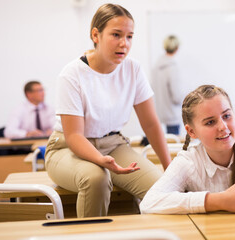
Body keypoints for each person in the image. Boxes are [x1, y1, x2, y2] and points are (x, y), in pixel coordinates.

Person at [44, 3, 171, 218]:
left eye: (130, 36)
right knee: (96, 178)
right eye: (116, 35)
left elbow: (150, 124)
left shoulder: (133, 69)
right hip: (67, 147)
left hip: (113, 145)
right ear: (96, 34)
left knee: (160, 188)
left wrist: (170, 169)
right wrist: (101, 161)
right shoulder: (72, 74)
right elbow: (74, 135)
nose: (124, 43)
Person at [140, 85, 235, 214]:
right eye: (210, 122)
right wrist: (218, 200)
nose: (223, 126)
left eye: (227, 116)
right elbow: (149, 203)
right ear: (191, 131)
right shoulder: (189, 161)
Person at [151, 35, 184, 135]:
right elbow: (176, 96)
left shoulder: (156, 67)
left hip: (158, 113)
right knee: (173, 147)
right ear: (177, 48)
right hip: (172, 115)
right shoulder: (172, 67)